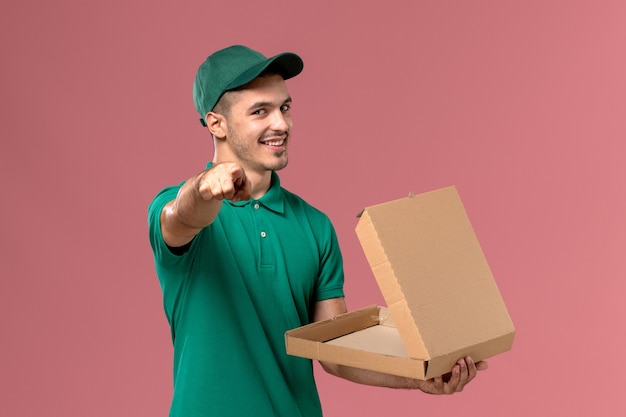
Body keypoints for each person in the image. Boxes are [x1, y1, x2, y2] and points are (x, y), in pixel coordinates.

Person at [148, 44, 488, 417]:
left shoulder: (315, 226)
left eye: (285, 107)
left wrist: (417, 377)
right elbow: (182, 217)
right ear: (217, 124)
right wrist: (204, 188)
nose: (281, 123)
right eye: (260, 111)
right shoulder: (179, 210)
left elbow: (335, 352)